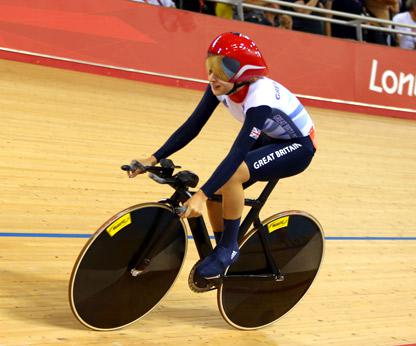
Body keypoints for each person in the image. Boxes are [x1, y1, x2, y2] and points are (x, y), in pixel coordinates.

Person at [128, 32, 317, 279]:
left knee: (232, 175)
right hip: (270, 137)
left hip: (298, 146)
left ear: (244, 73)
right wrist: (153, 157)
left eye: (222, 68)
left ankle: (228, 250)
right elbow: (192, 126)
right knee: (219, 187)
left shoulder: (259, 99)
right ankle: (221, 247)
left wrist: (201, 196)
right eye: (210, 66)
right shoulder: (221, 87)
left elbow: (238, 152)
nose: (212, 76)